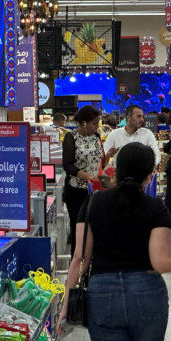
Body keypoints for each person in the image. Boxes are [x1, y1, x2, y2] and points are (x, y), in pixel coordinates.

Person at [59, 142, 171, 341]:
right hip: (148, 293)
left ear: (116, 171)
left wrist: (65, 306)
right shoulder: (156, 208)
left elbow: (80, 257)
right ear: (149, 175)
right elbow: (161, 263)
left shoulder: (93, 203)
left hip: (102, 294)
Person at [62, 105, 103, 256]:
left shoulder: (96, 137)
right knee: (78, 229)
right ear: (84, 123)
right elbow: (67, 165)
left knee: (95, 228)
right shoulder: (70, 137)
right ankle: (77, 262)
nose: (96, 127)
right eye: (94, 123)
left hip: (95, 190)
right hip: (76, 191)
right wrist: (85, 175)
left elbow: (98, 161)